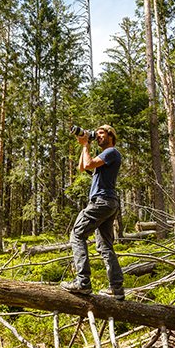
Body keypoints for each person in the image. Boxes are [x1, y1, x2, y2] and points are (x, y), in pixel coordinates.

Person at [61, 124, 125, 300]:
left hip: (102, 201)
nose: (98, 136)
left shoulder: (112, 152)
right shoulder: (104, 157)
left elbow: (88, 163)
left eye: (101, 133)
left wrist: (85, 145)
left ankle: (83, 283)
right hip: (108, 203)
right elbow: (83, 167)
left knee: (77, 234)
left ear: (111, 135)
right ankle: (117, 289)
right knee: (105, 246)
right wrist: (84, 144)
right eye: (96, 134)